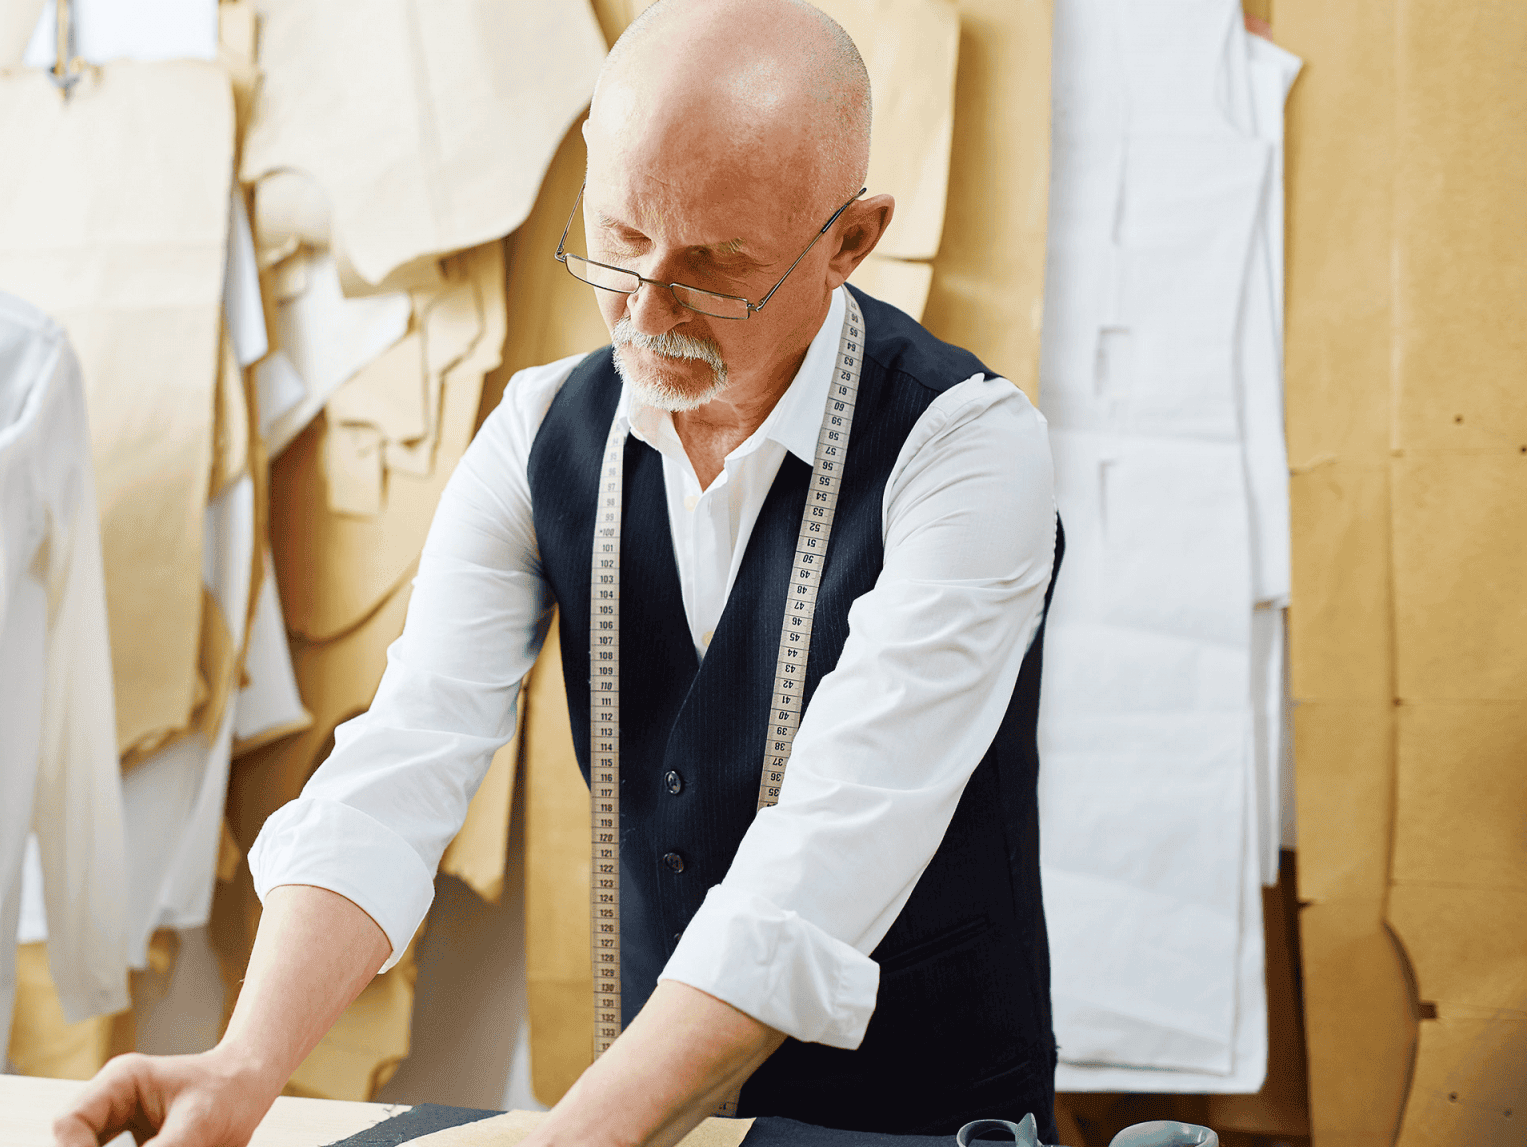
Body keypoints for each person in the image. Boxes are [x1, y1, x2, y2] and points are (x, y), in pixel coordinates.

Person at [55, 1, 1061, 1143]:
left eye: (716, 266)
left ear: (851, 240)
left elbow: (825, 859)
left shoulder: (966, 453)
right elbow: (402, 760)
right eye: (619, 236)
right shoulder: (538, 435)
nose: (646, 309)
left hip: (919, 1124)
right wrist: (244, 1065)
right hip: (656, 1122)